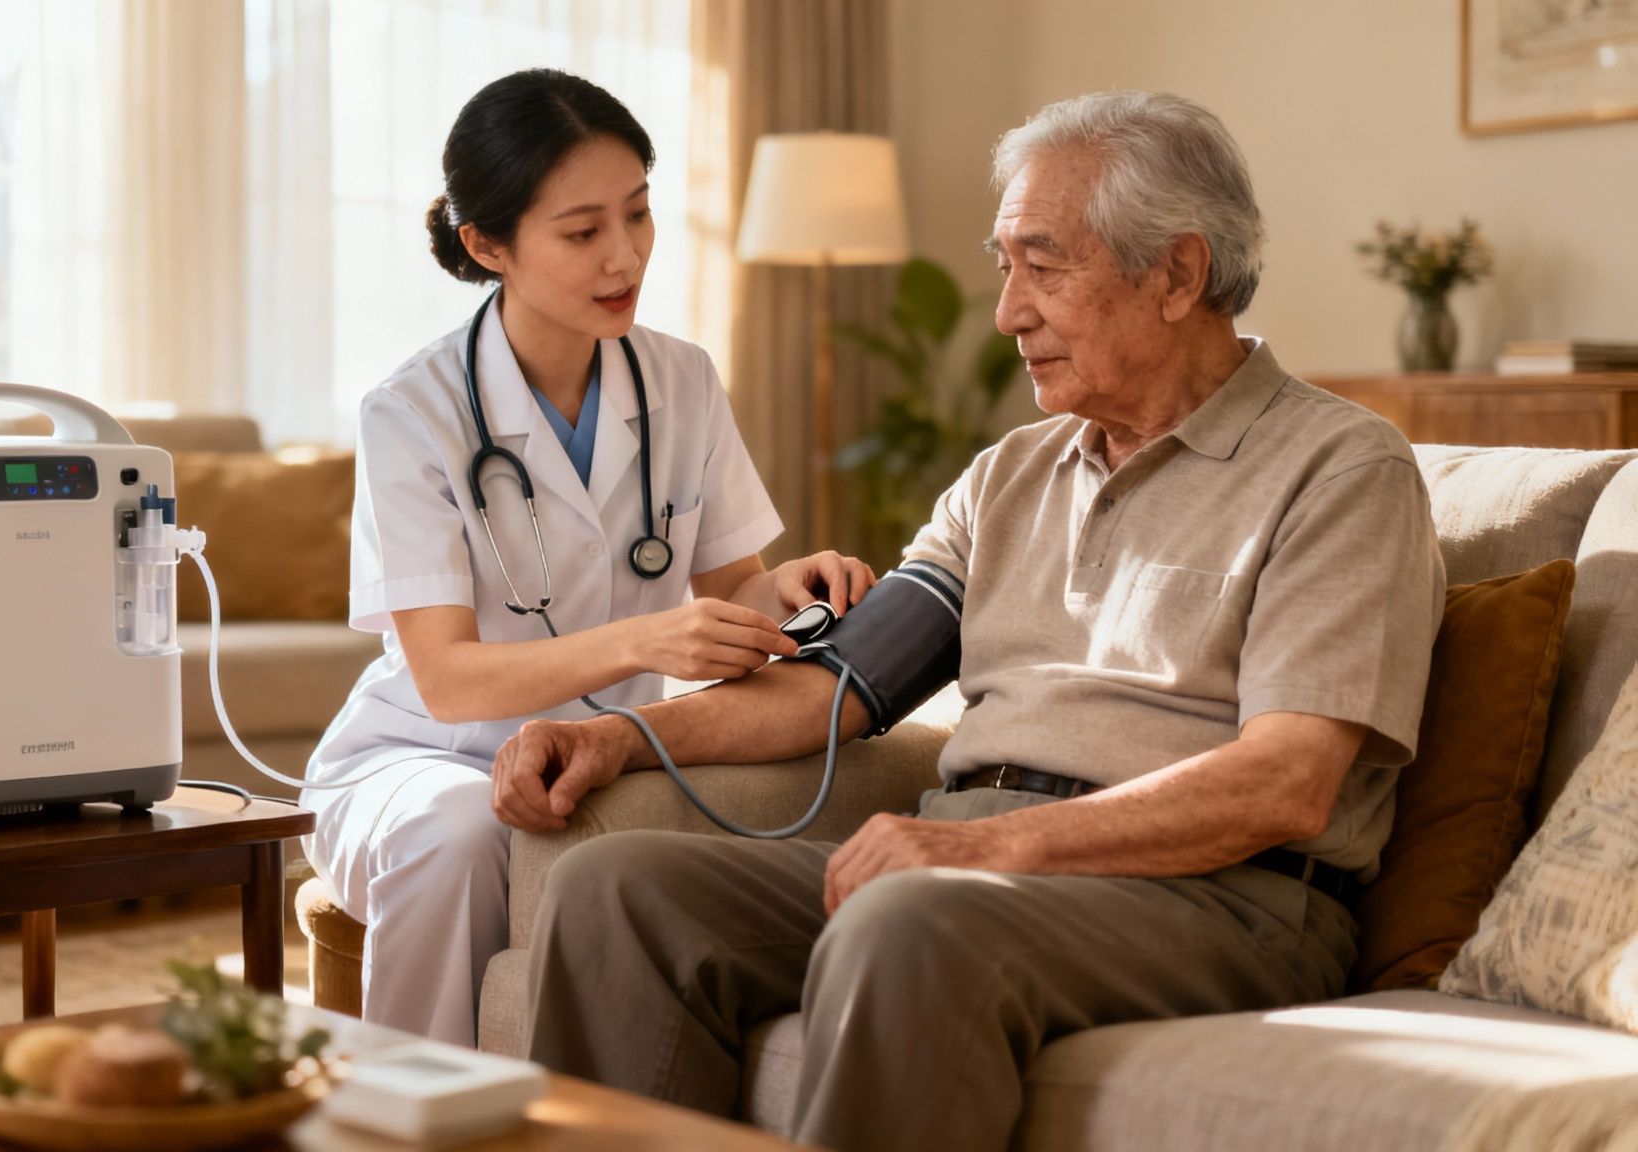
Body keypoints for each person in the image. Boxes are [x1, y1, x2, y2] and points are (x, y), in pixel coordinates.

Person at [492, 91, 1448, 1150]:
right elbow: (834, 690)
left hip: (1220, 897)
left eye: (1043, 266)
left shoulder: (1339, 469)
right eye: (1004, 267)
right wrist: (615, 735)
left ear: (1176, 273)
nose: (1006, 313)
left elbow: (1286, 781)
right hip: (971, 867)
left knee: (909, 920)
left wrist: (996, 849)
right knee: (612, 890)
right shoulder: (1009, 476)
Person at [299, 69, 877, 1046]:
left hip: (597, 761)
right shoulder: (414, 413)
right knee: (461, 834)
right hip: (422, 760)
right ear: (488, 245)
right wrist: (643, 641)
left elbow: (734, 586)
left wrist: (791, 587)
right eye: (581, 232)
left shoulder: (680, 379)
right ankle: (408, 1119)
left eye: (638, 215)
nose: (625, 256)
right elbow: (444, 680)